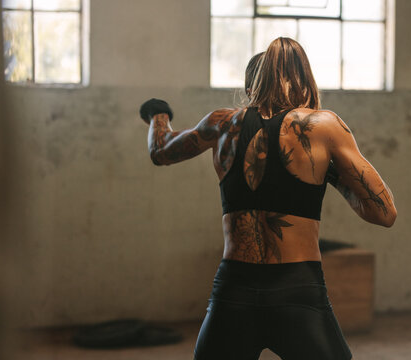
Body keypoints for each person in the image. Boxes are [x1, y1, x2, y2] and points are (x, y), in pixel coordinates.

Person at [139, 37, 397, 360]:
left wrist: (157, 112)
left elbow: (160, 150)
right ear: (303, 81)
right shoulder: (323, 125)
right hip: (298, 291)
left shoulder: (222, 124)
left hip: (234, 291)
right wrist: (328, 173)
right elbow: (384, 212)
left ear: (250, 88)